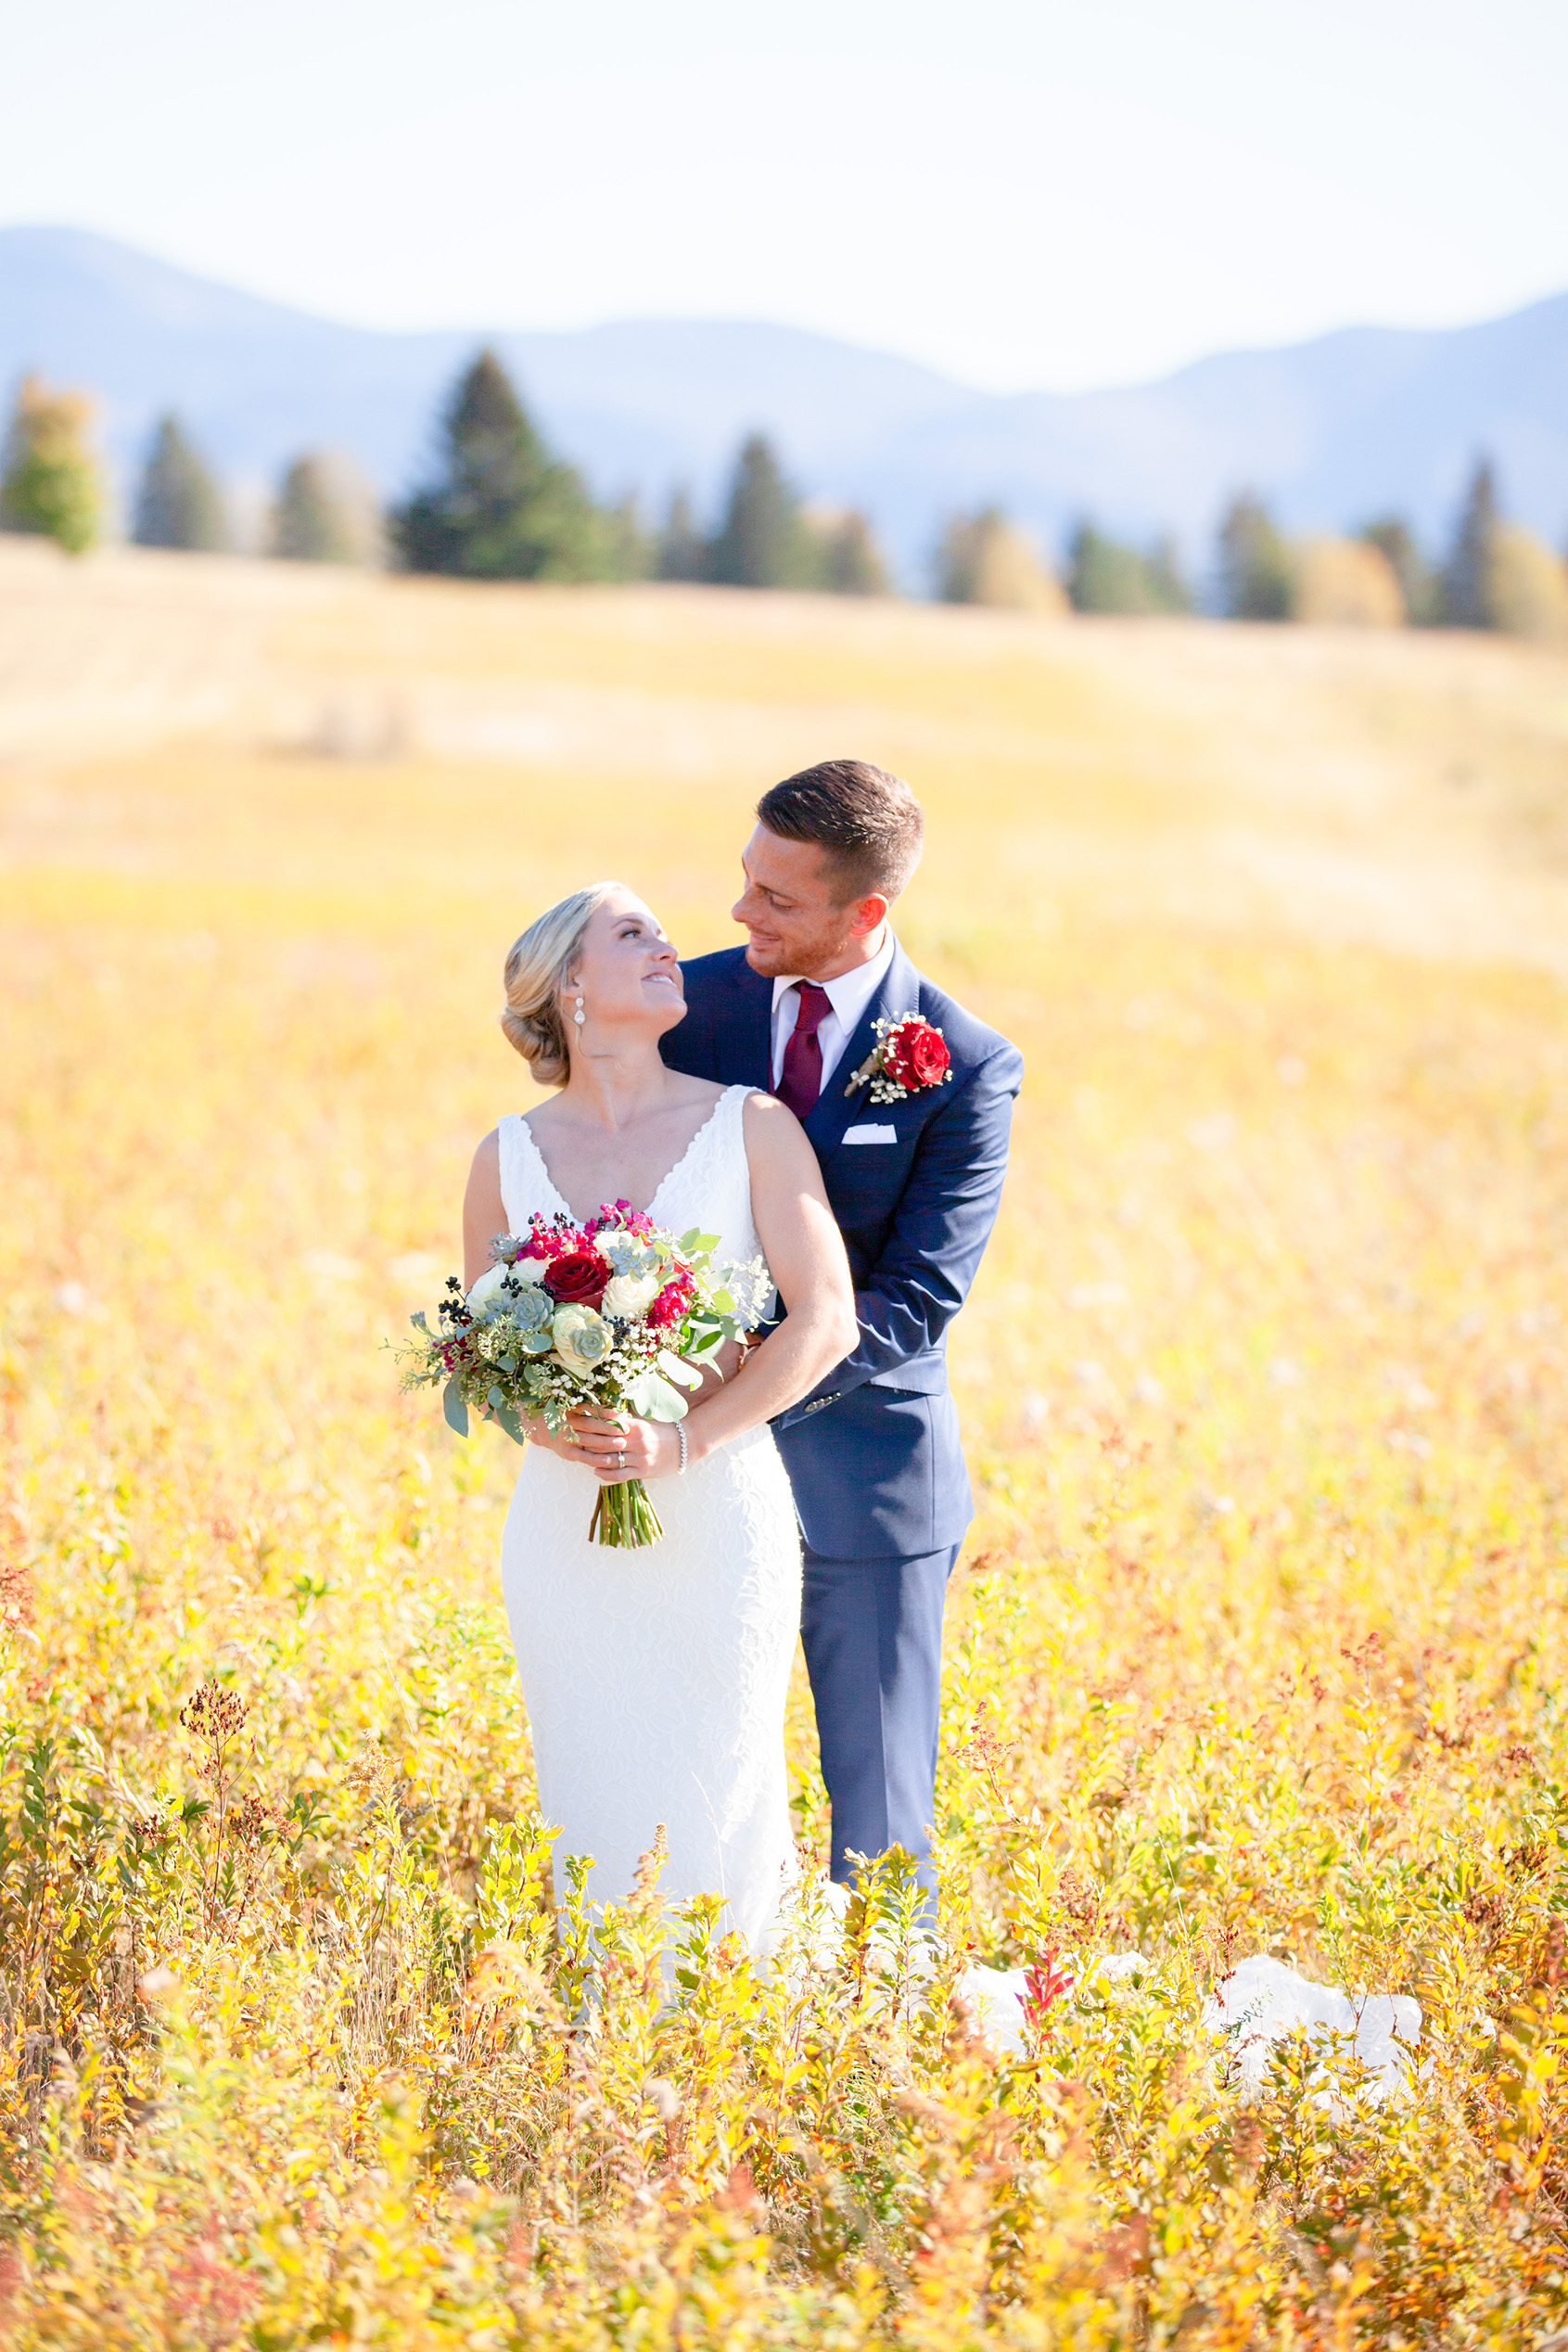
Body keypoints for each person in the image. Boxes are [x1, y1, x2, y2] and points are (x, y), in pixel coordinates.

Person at [463, 883, 857, 1949]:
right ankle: (605, 2026)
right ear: (569, 987)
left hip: (719, 1507)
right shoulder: (503, 1156)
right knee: (587, 1775)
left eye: (660, 931)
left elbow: (825, 1322)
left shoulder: (751, 1126)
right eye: (629, 932)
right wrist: (568, 1429)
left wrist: (681, 1440)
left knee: (721, 1772)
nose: (666, 944)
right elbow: (486, 1358)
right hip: (566, 1527)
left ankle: (735, 2015)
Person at [662, 760, 1024, 1909]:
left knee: (875, 1807)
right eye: (744, 879)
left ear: (864, 912)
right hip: (684, 1472)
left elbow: (916, 1299)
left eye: (778, 897)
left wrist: (739, 1395)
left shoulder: (963, 1065)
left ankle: (885, 2031)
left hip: (868, 1477)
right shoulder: (685, 1008)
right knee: (688, 1761)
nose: (740, 913)